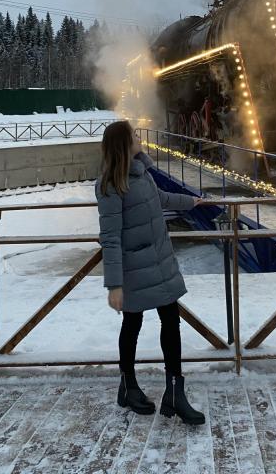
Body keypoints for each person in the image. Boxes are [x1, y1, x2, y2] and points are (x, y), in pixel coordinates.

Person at [95, 119, 207, 425]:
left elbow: (162, 200)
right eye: (133, 135)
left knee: (171, 321)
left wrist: (192, 202)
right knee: (132, 324)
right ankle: (128, 386)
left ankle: (174, 392)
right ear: (123, 144)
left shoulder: (142, 172)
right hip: (134, 268)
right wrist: (114, 285)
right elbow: (110, 237)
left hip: (160, 261)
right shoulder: (109, 185)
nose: (138, 137)